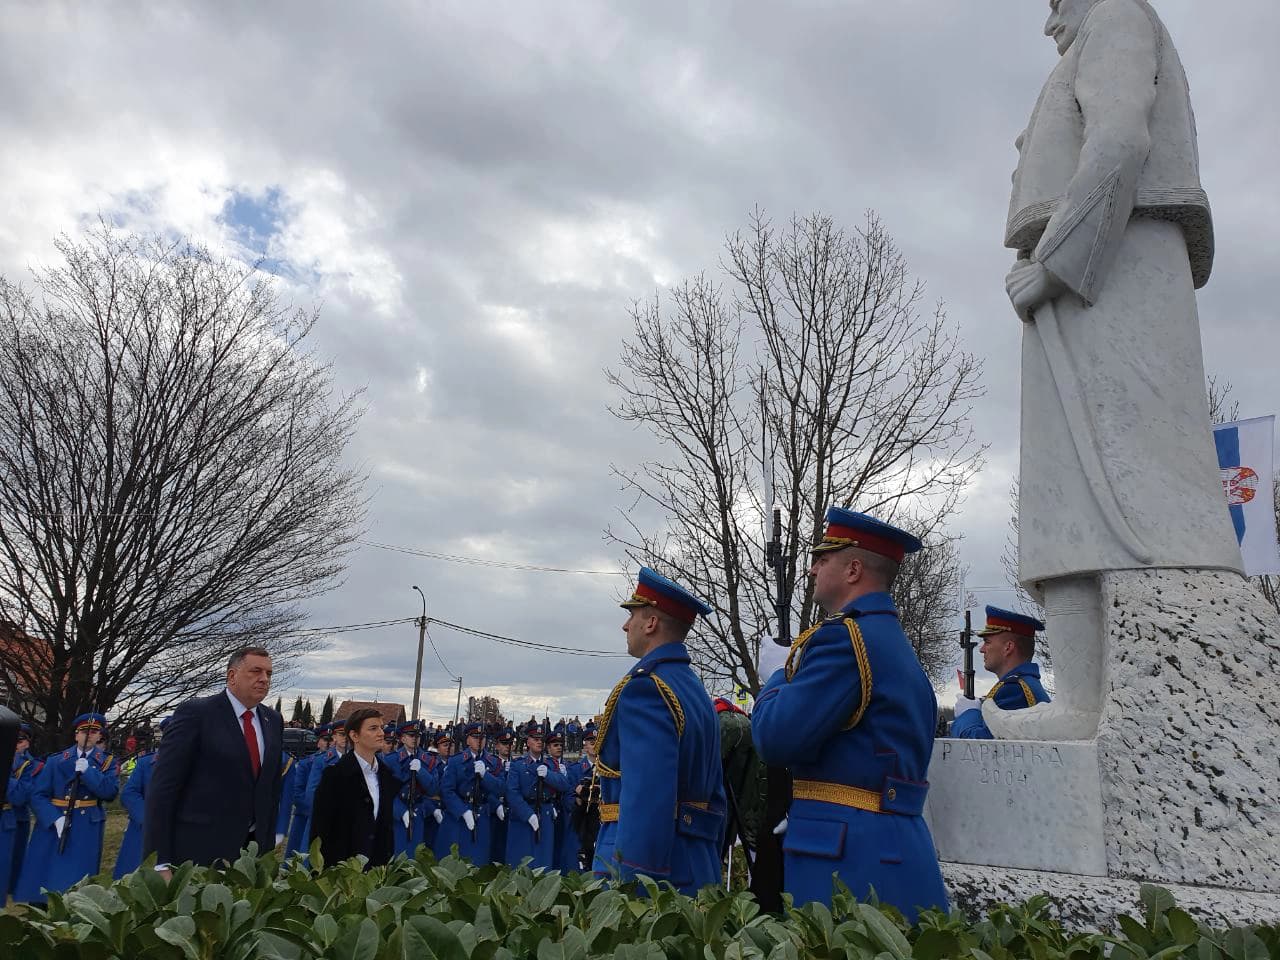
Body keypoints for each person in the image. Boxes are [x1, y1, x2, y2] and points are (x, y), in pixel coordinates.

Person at [999, 0, 1240, 740]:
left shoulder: (1119, 18)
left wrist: (1056, 266)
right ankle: (1085, 701)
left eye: (1055, 3)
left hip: (1111, 270)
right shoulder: (1097, 34)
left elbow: (1119, 141)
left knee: (1118, 481)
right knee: (1066, 490)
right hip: (1094, 273)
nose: (1049, 21)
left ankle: (1104, 703)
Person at [751, 508, 947, 921]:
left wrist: (778, 675)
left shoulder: (842, 640)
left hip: (847, 858)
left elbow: (774, 738)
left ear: (854, 569)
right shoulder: (890, 643)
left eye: (823, 560)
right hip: (889, 845)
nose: (811, 569)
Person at [592, 567, 726, 895]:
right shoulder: (695, 691)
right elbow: (716, 799)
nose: (625, 625)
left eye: (633, 615)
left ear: (651, 623)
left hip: (653, 874)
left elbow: (646, 800)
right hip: (696, 865)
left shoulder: (647, 690)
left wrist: (634, 886)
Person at [144, 647, 284, 876]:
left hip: (251, 853)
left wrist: (266, 852)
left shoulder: (272, 720)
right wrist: (159, 860)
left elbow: (270, 789)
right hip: (199, 850)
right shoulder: (197, 713)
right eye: (256, 671)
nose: (264, 679)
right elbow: (163, 788)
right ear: (231, 676)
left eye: (269, 673)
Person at [13, 713, 119, 903]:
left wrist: (88, 772)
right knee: (45, 870)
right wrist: (55, 818)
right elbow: (38, 795)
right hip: (54, 821)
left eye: (94, 732)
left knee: (76, 875)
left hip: (86, 824)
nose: (89, 735)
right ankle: (40, 908)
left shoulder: (107, 762)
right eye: (84, 731)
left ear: (99, 736)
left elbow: (109, 793)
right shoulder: (56, 760)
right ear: (76, 735)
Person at [308, 708, 398, 868]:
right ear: (354, 735)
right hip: (342, 870)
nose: (381, 733)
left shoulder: (386, 775)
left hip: (376, 870)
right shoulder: (335, 776)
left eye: (381, 727)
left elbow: (384, 828)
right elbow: (320, 830)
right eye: (373, 728)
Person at [951, 606, 1051, 739]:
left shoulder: (1014, 689)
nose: (982, 649)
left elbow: (982, 748)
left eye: (987, 642)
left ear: (1008, 647)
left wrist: (968, 714)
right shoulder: (1022, 683)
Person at [505, 724, 570, 869]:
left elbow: (565, 784)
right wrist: (528, 815)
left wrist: (548, 775)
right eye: (535, 739)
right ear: (528, 742)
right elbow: (512, 793)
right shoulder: (518, 765)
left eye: (541, 739)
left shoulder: (551, 764)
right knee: (521, 860)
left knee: (543, 860)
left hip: (545, 814)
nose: (539, 742)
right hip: (524, 815)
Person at [438, 722, 503, 863]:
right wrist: (462, 811)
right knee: (457, 860)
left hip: (483, 816)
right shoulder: (456, 761)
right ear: (467, 739)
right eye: (475, 737)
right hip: (459, 817)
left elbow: (500, 788)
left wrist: (486, 775)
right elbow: (447, 790)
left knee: (479, 860)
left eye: (482, 737)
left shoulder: (493, 762)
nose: (479, 740)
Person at [113, 718, 167, 878]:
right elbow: (129, 793)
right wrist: (146, 817)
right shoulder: (146, 763)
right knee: (134, 877)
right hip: (143, 829)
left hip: (177, 829)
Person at [382, 721, 431, 857]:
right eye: (411, 735)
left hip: (419, 813)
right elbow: (385, 791)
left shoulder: (428, 759)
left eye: (417, 736)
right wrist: (401, 811)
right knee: (396, 855)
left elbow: (434, 789)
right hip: (397, 815)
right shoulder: (391, 760)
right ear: (402, 738)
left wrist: (421, 771)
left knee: (416, 857)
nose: (415, 739)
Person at [1, 723, 36, 899]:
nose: (14, 744)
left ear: (27, 743)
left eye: (19, 740)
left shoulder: (29, 765)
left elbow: (20, 797)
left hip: (11, 818)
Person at [285, 725, 329, 857]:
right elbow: (297, 791)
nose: (327, 743)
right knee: (298, 851)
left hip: (322, 814)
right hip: (305, 814)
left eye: (330, 740)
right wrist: (310, 808)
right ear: (318, 742)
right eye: (324, 739)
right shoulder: (306, 763)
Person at [488, 728, 514, 864]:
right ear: (497, 745)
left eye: (510, 744)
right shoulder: (490, 763)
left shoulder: (516, 764)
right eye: (504, 744)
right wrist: (496, 805)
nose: (507, 747)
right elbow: (485, 790)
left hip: (511, 812)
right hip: (493, 811)